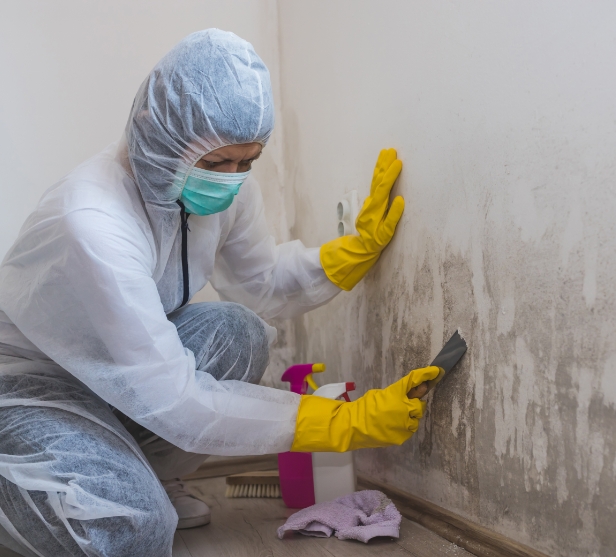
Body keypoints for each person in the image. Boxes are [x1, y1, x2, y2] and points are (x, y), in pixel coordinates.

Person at [0, 29, 439, 556]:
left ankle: (142, 473)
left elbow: (264, 281)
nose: (231, 179)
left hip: (118, 378)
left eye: (246, 162)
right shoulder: (91, 222)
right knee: (131, 527)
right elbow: (175, 400)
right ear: (154, 133)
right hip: (34, 388)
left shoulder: (221, 189)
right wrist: (342, 421)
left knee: (238, 332)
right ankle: (25, 487)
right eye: (214, 164)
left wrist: (351, 252)